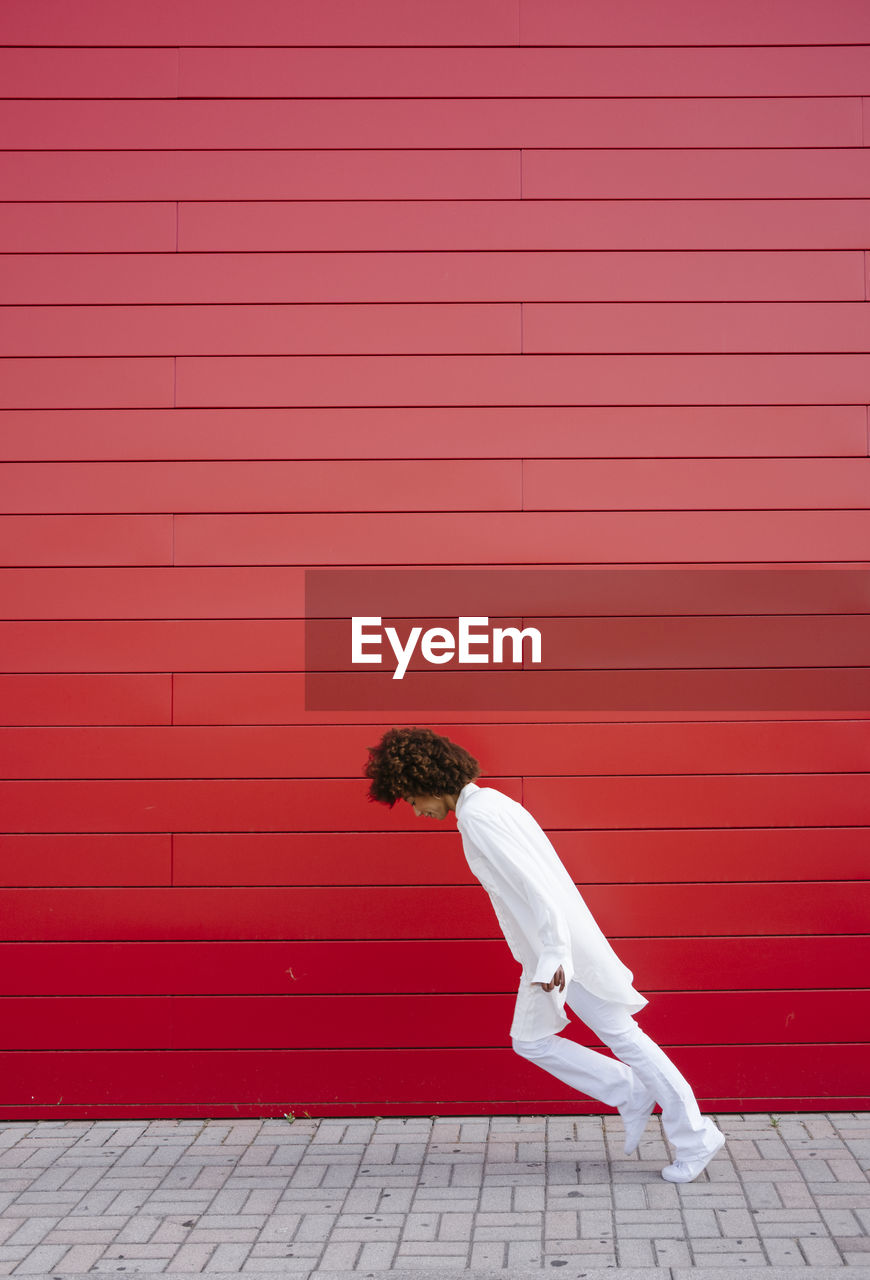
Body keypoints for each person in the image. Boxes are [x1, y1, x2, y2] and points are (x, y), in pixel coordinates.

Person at [364, 726, 726, 1183]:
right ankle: (629, 1092)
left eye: (413, 799)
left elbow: (538, 887)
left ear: (427, 781)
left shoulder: (478, 816)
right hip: (544, 954)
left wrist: (555, 953)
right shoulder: (491, 803)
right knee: (531, 1040)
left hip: (558, 954)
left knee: (624, 1037)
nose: (417, 811)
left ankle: (695, 1136)